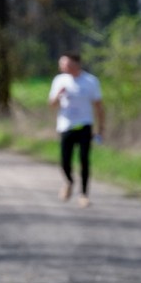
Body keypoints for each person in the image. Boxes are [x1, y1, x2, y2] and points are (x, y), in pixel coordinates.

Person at [48, 52, 105, 207]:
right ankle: (69, 182)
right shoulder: (59, 80)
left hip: (85, 125)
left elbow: (99, 106)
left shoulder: (90, 81)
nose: (61, 67)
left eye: (64, 64)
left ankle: (84, 194)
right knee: (65, 161)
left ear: (75, 64)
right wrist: (58, 95)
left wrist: (101, 128)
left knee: (84, 160)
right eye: (61, 64)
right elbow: (51, 105)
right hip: (66, 125)